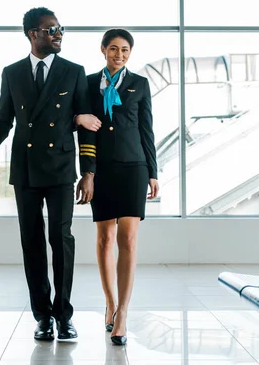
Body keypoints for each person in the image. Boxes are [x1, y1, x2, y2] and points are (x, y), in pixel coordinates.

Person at [0, 7, 101, 342]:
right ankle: (42, 317)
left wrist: (88, 172)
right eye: (52, 29)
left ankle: (64, 314)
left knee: (62, 241)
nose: (58, 35)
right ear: (33, 34)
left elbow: (85, 124)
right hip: (25, 171)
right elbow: (3, 121)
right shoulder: (12, 73)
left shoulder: (73, 72)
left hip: (60, 169)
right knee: (32, 244)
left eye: (60, 29)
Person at [83, 28, 159, 346]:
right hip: (102, 170)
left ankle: (123, 314)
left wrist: (153, 173)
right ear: (103, 50)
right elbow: (84, 130)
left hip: (134, 167)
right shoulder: (87, 84)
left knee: (127, 238)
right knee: (105, 240)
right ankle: (110, 303)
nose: (119, 54)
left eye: (125, 50)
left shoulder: (139, 84)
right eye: (113, 49)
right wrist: (87, 171)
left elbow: (147, 131)